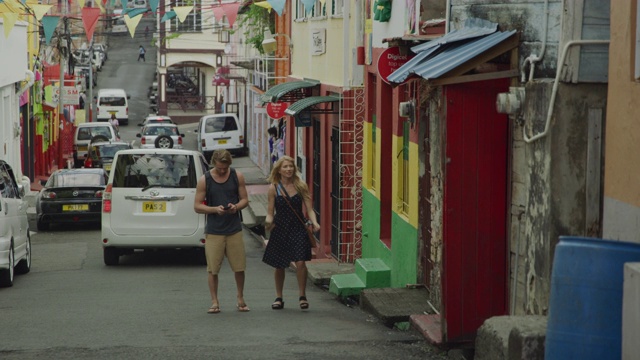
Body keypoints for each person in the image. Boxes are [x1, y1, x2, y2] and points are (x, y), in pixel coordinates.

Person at [194, 149, 250, 314]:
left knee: (239, 267)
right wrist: (213, 209)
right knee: (213, 269)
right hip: (214, 230)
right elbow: (197, 206)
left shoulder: (237, 176)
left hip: (234, 228)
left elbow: (245, 199)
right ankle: (214, 301)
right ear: (214, 164)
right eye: (219, 168)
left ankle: (240, 298)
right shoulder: (205, 180)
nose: (223, 171)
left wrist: (236, 207)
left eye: (225, 168)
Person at [263, 156, 320, 310]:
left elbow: (309, 208)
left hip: (298, 228)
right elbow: (270, 212)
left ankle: (302, 295)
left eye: (291, 166)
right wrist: (268, 221)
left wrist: (314, 222)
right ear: (279, 170)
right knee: (279, 265)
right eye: (285, 167)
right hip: (280, 228)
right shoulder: (273, 188)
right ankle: (279, 297)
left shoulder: (301, 185)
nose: (288, 169)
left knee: (300, 262)